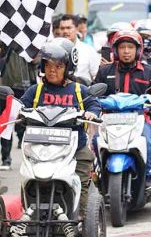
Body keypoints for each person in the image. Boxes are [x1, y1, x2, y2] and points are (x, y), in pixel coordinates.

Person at [21, 38, 100, 215]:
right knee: (27, 177)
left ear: (68, 68)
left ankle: (81, 218)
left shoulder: (79, 90)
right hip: (40, 147)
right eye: (48, 65)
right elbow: (20, 106)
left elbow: (94, 104)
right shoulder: (36, 90)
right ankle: (28, 211)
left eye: (58, 66)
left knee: (80, 182)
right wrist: (18, 113)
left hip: (73, 149)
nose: (52, 70)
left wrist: (91, 113)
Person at [94, 30, 151, 187]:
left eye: (130, 47)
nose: (126, 51)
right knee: (95, 140)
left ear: (138, 50)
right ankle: (98, 172)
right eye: (122, 47)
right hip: (109, 119)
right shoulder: (104, 71)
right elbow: (93, 92)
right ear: (116, 50)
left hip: (139, 118)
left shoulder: (149, 72)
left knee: (148, 141)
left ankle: (148, 177)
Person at [0, 42, 39, 166]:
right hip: (8, 87)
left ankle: (32, 158)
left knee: (28, 122)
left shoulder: (30, 38)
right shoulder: (5, 38)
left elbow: (37, 60)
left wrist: (31, 50)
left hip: (27, 87)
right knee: (7, 122)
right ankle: (5, 157)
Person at [59, 14, 98, 84]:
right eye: (62, 28)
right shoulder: (55, 50)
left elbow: (95, 75)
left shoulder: (88, 50)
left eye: (68, 28)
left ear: (77, 28)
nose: (65, 31)